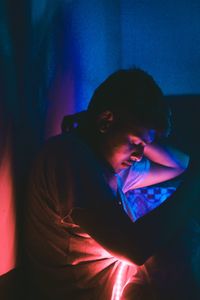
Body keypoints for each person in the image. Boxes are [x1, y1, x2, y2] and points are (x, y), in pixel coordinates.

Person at [25, 68, 199, 300]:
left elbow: (178, 166)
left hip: (121, 286)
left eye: (144, 146)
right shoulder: (69, 158)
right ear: (106, 120)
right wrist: (194, 183)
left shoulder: (110, 167)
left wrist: (143, 138)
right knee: (179, 233)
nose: (139, 154)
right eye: (135, 142)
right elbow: (134, 248)